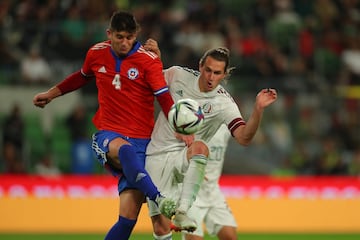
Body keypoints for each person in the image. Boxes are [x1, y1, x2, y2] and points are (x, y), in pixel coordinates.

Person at [32, 11, 176, 240]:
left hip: (144, 143)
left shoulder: (149, 60)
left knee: (128, 220)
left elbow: (165, 99)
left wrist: (181, 132)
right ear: (109, 34)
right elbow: (81, 76)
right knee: (124, 150)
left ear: (136, 34)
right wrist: (51, 94)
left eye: (130, 37)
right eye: (119, 37)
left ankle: (157, 202)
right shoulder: (96, 53)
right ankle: (159, 198)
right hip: (109, 135)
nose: (125, 42)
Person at [143, 39, 277, 240]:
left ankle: (183, 210)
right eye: (208, 70)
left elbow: (244, 137)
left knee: (200, 148)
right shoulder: (177, 75)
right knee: (161, 230)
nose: (211, 77)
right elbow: (152, 82)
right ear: (200, 66)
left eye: (216, 73)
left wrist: (258, 110)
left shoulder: (224, 103)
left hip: (185, 159)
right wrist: (156, 59)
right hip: (157, 154)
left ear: (224, 75)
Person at [181, 124, 237, 240]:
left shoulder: (225, 125)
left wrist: (258, 110)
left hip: (213, 192)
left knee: (230, 237)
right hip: (191, 193)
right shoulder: (191, 123)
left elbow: (245, 135)